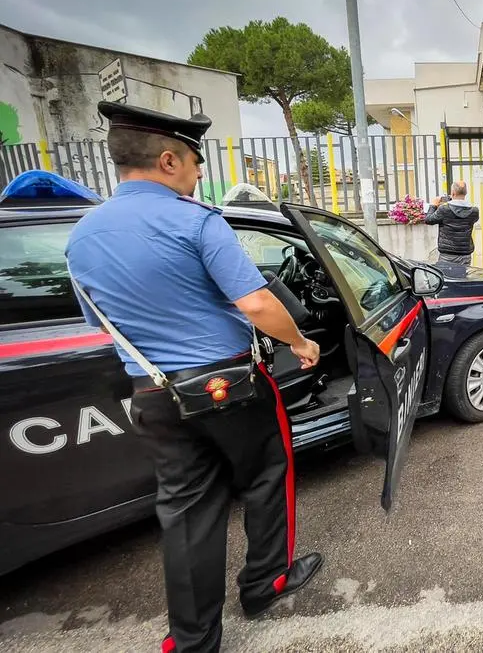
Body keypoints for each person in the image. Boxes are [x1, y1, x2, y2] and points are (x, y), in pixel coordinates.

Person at [65, 102, 324, 653]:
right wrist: (300, 344)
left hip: (153, 394)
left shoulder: (80, 238)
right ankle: (263, 583)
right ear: (167, 160)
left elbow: (100, 322)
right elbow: (255, 302)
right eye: (194, 162)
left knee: (184, 510)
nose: (199, 173)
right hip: (228, 385)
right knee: (265, 476)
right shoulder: (196, 220)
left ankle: (193, 639)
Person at [425, 180, 479, 265]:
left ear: (453, 193)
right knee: (463, 277)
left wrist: (433, 205)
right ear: (466, 193)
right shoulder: (474, 211)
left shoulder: (444, 209)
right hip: (465, 253)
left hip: (448, 254)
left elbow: (428, 220)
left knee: (447, 277)